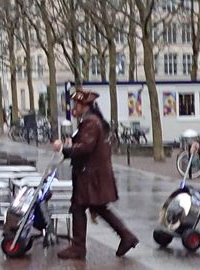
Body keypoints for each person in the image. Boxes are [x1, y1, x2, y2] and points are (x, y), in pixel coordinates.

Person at [55, 88, 138, 259]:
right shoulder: (90, 120)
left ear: (83, 105)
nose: (74, 107)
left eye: (76, 104)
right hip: (91, 173)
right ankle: (125, 236)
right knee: (95, 207)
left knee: (79, 207)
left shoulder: (91, 122)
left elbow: (86, 147)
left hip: (90, 175)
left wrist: (64, 148)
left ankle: (79, 247)